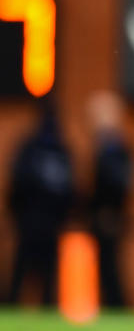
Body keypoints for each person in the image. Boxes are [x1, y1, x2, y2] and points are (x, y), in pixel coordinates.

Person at [6, 97, 75, 306]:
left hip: (41, 221)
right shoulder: (54, 150)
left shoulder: (44, 150)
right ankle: (15, 304)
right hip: (36, 220)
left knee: (41, 273)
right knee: (27, 272)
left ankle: (30, 304)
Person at [87, 90, 134, 309]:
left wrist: (109, 210)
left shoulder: (114, 147)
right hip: (107, 215)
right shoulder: (108, 145)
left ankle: (117, 307)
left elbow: (119, 183)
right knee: (106, 266)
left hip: (110, 216)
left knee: (110, 266)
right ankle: (113, 306)